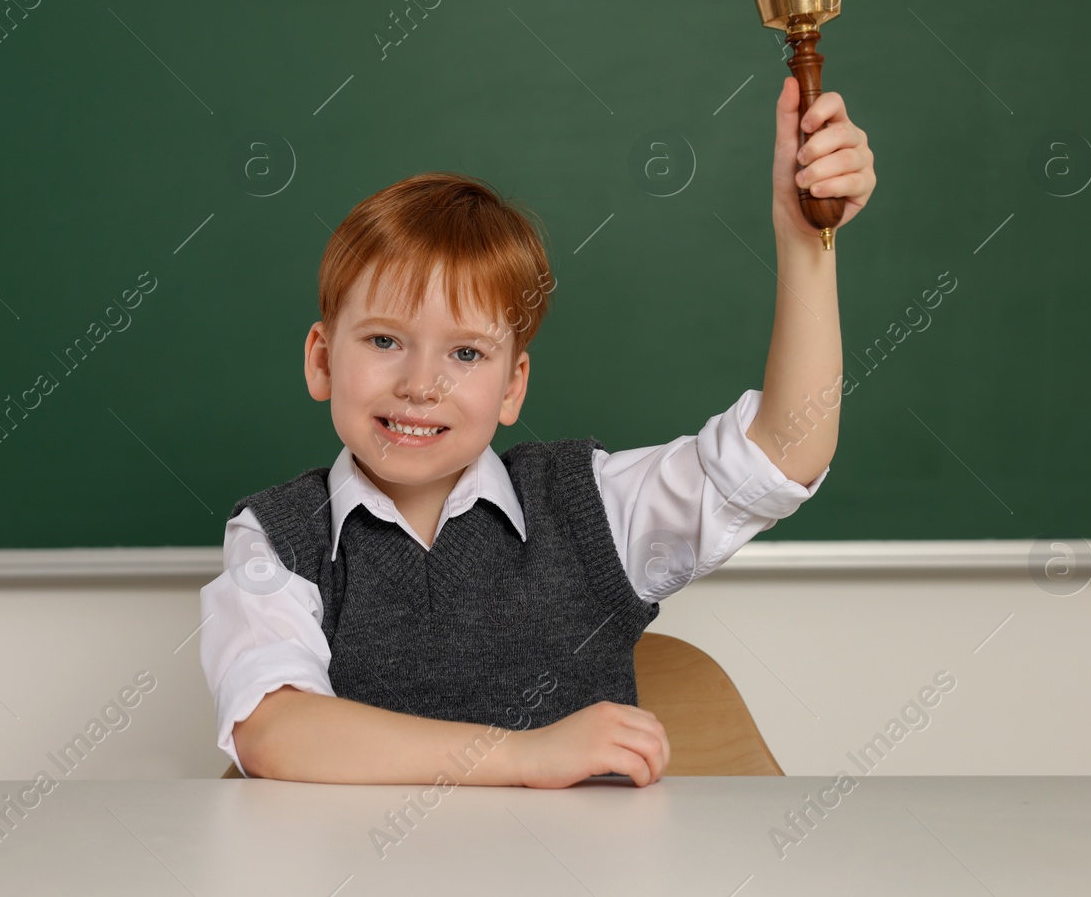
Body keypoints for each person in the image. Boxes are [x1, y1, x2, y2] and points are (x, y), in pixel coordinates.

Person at [200, 77, 876, 787]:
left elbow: (782, 453)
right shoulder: (275, 538)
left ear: (513, 384)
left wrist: (805, 242)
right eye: (384, 340)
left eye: (466, 353)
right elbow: (275, 729)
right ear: (320, 360)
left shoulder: (588, 507)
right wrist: (523, 754)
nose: (421, 383)